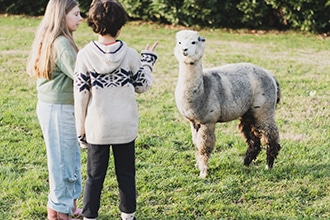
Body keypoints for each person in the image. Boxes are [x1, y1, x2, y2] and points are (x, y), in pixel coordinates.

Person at [73, 0, 158, 219]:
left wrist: (80, 131)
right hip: (124, 127)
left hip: (97, 128)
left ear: (92, 23)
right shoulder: (129, 54)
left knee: (94, 175)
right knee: (126, 174)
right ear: (120, 26)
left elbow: (80, 96)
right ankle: (128, 215)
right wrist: (147, 61)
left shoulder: (84, 56)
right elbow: (143, 85)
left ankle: (90, 215)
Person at [26, 0, 83, 219]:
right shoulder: (61, 44)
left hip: (55, 107)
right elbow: (81, 75)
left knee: (68, 158)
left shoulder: (56, 39)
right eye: (76, 14)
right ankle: (59, 212)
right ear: (62, 16)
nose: (80, 18)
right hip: (58, 109)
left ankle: (66, 206)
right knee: (63, 162)